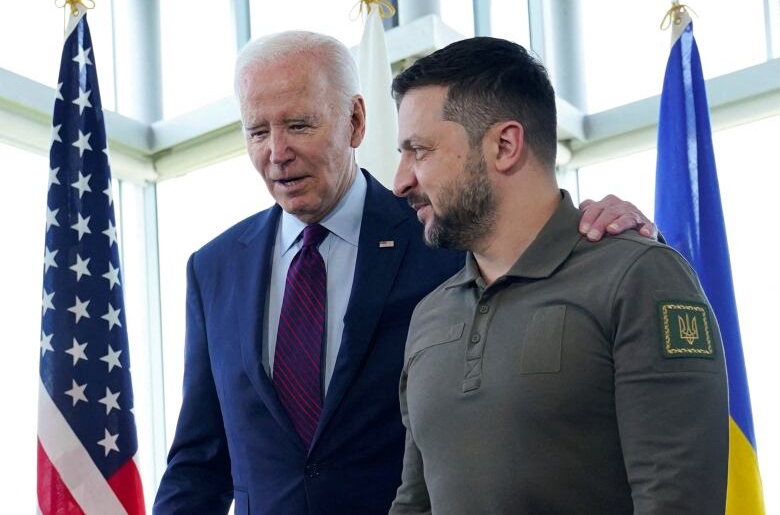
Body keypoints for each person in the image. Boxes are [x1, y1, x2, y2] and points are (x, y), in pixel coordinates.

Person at [153, 31, 658, 515]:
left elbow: (535, 241)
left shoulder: (444, 233)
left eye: (299, 125)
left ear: (354, 121)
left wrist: (604, 226)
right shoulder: (214, 268)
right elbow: (200, 460)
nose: (276, 152)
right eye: (257, 132)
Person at [388, 36, 728, 515]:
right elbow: (414, 502)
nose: (400, 180)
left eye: (418, 151)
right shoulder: (429, 313)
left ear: (504, 145)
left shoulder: (638, 277)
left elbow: (678, 501)